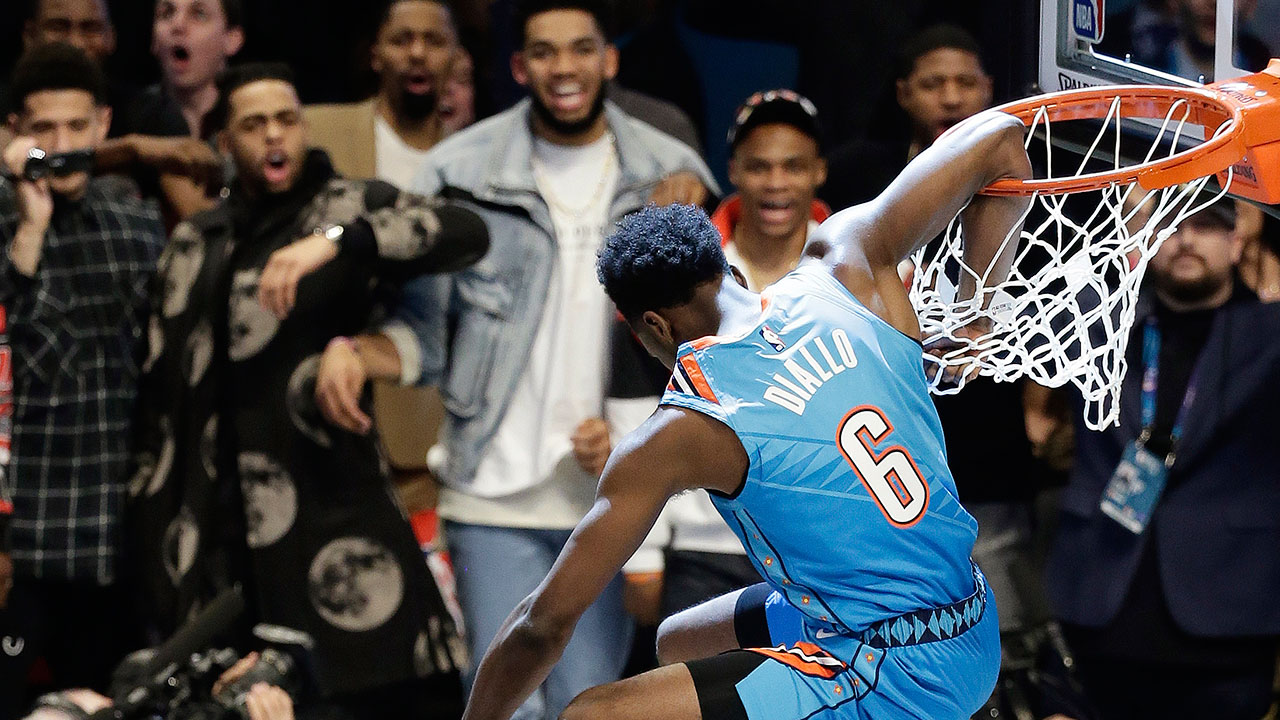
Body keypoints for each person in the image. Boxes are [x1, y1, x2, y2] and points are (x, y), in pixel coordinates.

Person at [457, 103, 1035, 719]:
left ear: (651, 326)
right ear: (728, 269)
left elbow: (541, 625)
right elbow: (1000, 140)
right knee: (679, 640)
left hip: (895, 666)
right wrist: (978, 310)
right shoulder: (845, 262)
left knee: (590, 715)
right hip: (973, 612)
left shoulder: (686, 426)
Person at [311, 1, 716, 717]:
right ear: (519, 66)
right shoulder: (459, 170)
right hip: (491, 486)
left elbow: (701, 345)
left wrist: (634, 435)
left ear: (609, 59)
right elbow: (426, 335)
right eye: (545, 52)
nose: (565, 68)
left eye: (581, 49)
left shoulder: (668, 169)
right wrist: (358, 351)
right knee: (502, 705)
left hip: (608, 486)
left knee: (588, 706)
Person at [127, 63, 488, 720]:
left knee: (380, 698)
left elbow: (464, 232)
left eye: (286, 120)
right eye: (253, 124)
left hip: (333, 519)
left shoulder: (346, 207)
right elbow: (161, 408)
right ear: (224, 144)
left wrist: (337, 245)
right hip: (219, 540)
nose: (274, 136)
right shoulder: (194, 241)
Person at [1044, 198, 1280, 720]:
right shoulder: (1096, 327)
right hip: (1102, 613)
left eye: (1208, 226)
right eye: (1171, 226)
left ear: (1239, 239)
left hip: (1227, 621)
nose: (1187, 239)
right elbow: (1030, 300)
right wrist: (1129, 219)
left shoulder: (1270, 335)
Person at [0, 43, 166, 715]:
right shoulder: (5, 225)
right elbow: (20, 369)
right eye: (44, 130)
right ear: (15, 131)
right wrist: (30, 232)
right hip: (24, 541)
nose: (61, 146)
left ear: (102, 125)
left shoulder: (137, 226)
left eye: (76, 128)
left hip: (116, 535)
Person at [625, 89, 829, 624]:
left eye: (793, 166)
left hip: (822, 549)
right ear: (733, 170)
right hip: (704, 547)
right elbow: (641, 400)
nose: (776, 182)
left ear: (820, 172)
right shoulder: (678, 271)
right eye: (759, 166)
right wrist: (643, 554)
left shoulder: (854, 272)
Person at [822, 24, 992, 211]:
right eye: (932, 85)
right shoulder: (854, 175)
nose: (951, 99)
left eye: (967, 83)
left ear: (987, 89)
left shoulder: (1024, 171)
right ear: (903, 94)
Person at [305, 0, 464, 188]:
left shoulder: (469, 157)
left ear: (455, 57)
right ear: (375, 56)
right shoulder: (317, 131)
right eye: (401, 41)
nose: (418, 53)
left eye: (434, 41)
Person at [116, 0, 245, 140]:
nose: (177, 25)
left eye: (199, 14)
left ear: (231, 39)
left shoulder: (253, 113)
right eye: (167, 13)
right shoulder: (124, 119)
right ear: (154, 40)